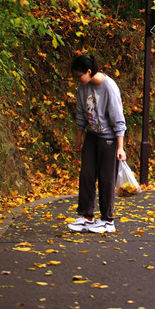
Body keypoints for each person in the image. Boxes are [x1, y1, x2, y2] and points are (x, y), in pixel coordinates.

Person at [68, 53, 126, 234]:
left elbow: (118, 119)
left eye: (79, 76)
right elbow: (80, 112)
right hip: (92, 136)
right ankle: (86, 216)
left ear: (89, 71)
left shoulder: (109, 88)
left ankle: (108, 220)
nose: (78, 80)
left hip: (108, 138)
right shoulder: (82, 86)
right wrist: (79, 137)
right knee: (86, 175)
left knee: (106, 179)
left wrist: (120, 147)